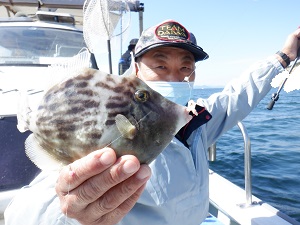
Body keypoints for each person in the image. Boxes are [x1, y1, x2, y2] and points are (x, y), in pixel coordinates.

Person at [4, 19, 300, 225]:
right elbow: (26, 213)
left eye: (186, 67)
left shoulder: (198, 123)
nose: (177, 77)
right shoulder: (111, 122)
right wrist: (72, 213)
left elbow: (238, 95)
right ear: (135, 71)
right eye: (160, 65)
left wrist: (284, 56)